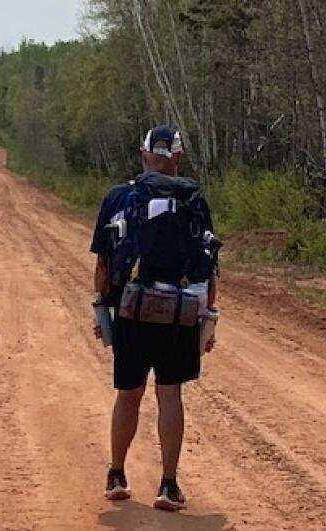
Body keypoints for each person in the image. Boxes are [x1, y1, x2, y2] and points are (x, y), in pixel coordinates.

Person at [90, 126, 216, 511]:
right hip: (179, 312)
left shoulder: (119, 197)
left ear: (144, 155)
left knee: (128, 393)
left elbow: (104, 262)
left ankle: (116, 474)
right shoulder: (195, 200)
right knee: (169, 394)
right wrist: (209, 318)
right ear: (177, 158)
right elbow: (209, 267)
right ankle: (168, 484)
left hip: (132, 308)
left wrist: (100, 307)